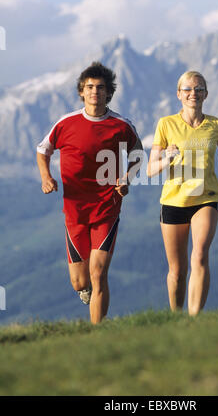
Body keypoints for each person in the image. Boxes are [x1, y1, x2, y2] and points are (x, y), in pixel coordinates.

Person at [37, 62, 143, 324]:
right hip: (75, 209)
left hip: (108, 206)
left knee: (98, 273)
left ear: (109, 93)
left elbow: (138, 155)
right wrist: (46, 176)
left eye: (101, 87)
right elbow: (43, 150)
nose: (95, 91)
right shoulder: (66, 123)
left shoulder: (121, 125)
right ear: (81, 92)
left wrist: (127, 179)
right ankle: (85, 290)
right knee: (80, 281)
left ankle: (97, 332)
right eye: (90, 87)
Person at [147, 70, 218, 315]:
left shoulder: (217, 125)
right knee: (177, 271)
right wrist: (166, 159)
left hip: (207, 198)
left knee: (199, 255)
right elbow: (150, 169)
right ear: (179, 94)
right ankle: (176, 317)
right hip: (174, 201)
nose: (193, 93)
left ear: (206, 94)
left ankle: (194, 318)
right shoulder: (166, 124)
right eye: (187, 89)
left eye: (198, 89)